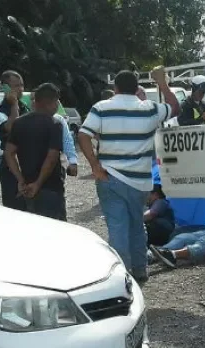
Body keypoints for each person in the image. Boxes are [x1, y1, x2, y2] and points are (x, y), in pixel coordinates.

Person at [77, 67, 180, 283]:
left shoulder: (101, 108)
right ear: (137, 89)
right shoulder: (150, 109)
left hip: (110, 177)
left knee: (118, 227)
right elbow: (175, 107)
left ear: (114, 88)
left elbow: (83, 135)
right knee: (136, 225)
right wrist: (161, 82)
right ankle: (140, 270)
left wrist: (95, 166)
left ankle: (123, 276)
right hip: (140, 182)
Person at [4, 83, 69, 220]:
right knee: (56, 230)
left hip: (26, 186)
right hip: (50, 187)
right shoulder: (55, 124)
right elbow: (51, 158)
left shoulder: (18, 123)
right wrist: (38, 183)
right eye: (57, 102)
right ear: (52, 102)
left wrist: (20, 179)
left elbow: (9, 153)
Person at [0, 70, 30, 209]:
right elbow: (13, 127)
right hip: (9, 164)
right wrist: (14, 105)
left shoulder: (27, 107)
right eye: (15, 86)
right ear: (5, 88)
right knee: (15, 205)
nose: (20, 90)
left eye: (22, 85)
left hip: (29, 161)